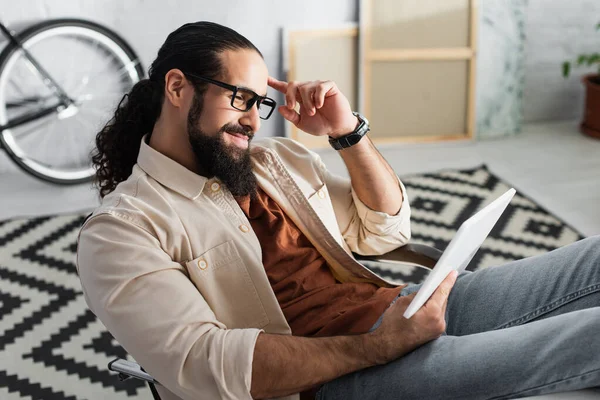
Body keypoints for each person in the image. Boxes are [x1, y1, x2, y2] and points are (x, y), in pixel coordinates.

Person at [76, 21, 600, 400]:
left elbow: (383, 228)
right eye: (240, 98)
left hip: (402, 311)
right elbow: (208, 365)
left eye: (260, 103)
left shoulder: (274, 162)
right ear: (176, 87)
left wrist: (347, 132)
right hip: (337, 375)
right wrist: (377, 349)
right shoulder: (122, 232)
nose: (254, 122)